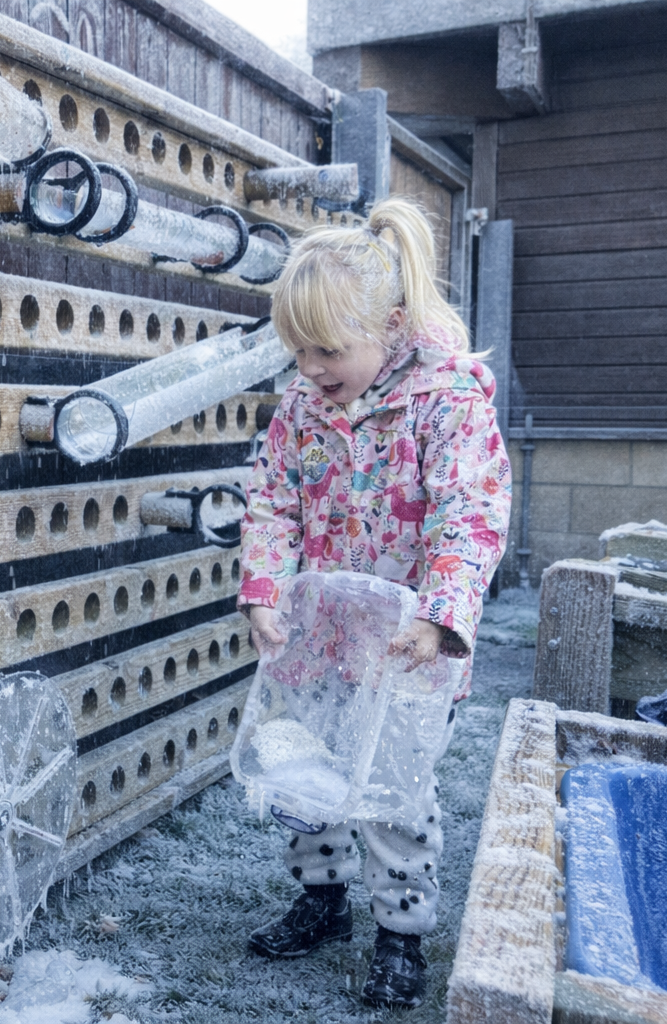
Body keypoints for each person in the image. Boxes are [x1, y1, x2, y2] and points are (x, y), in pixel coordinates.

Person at [236, 197, 511, 1007]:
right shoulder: (301, 410)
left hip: (405, 648)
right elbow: (272, 503)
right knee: (305, 775)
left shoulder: (448, 401)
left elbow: (472, 513)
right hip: (319, 638)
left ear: (390, 326)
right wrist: (263, 592)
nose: (312, 367)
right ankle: (322, 899)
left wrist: (439, 614)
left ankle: (401, 930)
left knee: (395, 792)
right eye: (298, 351)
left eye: (328, 348)